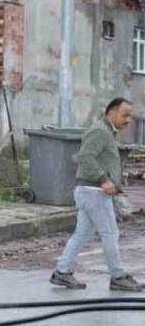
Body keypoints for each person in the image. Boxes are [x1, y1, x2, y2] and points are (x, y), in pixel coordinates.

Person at [51, 97, 144, 291]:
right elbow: (85, 157)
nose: (128, 120)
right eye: (125, 114)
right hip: (94, 191)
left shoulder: (107, 132)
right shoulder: (100, 131)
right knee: (110, 232)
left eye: (130, 116)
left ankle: (62, 271)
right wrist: (104, 179)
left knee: (82, 234)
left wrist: (114, 184)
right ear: (111, 112)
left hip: (91, 191)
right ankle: (118, 276)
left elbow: (100, 160)